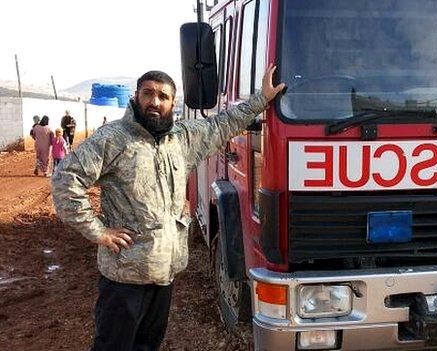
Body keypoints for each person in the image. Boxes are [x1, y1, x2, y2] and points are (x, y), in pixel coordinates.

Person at [51, 66, 285, 351]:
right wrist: (98, 231)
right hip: (125, 275)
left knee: (148, 345)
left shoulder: (183, 138)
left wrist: (262, 98)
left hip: (164, 271)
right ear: (136, 97)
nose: (155, 101)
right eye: (148, 93)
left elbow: (225, 123)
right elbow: (65, 180)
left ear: (173, 103)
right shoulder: (113, 139)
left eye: (163, 96)